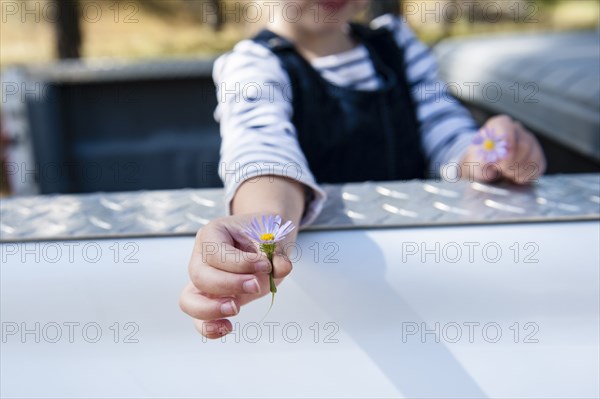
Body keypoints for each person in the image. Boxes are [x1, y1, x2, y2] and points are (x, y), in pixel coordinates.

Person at [179, 0, 546, 339]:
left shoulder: (398, 45)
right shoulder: (253, 65)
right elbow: (262, 148)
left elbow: (443, 131)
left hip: (421, 275)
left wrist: (486, 156)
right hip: (332, 299)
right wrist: (265, 220)